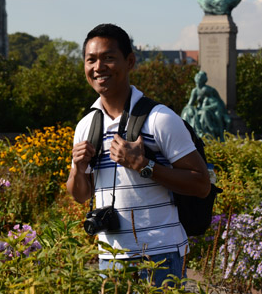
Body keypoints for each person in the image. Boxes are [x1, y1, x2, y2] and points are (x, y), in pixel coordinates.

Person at [66, 24, 211, 287]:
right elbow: (81, 195)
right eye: (91, 59)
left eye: (109, 58)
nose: (99, 67)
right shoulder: (86, 126)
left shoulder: (160, 119)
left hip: (159, 255)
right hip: (110, 257)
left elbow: (201, 184)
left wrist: (143, 165)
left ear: (130, 61)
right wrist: (78, 168)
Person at [181, 71, 231, 141]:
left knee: (205, 113)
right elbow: (190, 104)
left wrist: (206, 107)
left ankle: (210, 133)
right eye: (197, 81)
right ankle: (191, 132)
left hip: (210, 110)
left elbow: (218, 103)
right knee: (189, 113)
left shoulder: (209, 90)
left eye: (199, 81)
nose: (198, 83)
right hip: (200, 110)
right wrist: (189, 109)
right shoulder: (195, 91)